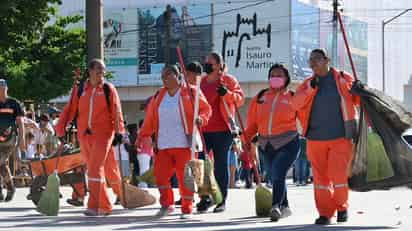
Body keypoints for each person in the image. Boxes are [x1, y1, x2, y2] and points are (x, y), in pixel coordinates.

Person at [292, 49, 360, 225]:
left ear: (327, 59)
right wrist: (309, 90)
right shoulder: (307, 83)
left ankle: (342, 208)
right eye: (310, 60)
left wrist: (360, 90)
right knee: (320, 180)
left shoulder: (343, 79)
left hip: (340, 137)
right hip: (315, 139)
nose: (313, 63)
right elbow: (295, 104)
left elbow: (358, 100)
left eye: (317, 59)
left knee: (338, 176)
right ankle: (325, 213)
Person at [138, 65, 211, 219]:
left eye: (168, 75)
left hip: (185, 144)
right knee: (161, 176)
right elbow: (150, 118)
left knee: (186, 178)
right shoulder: (159, 95)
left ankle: (187, 208)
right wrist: (142, 135)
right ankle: (166, 204)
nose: (164, 78)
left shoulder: (191, 92)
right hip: (163, 144)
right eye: (163, 75)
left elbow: (206, 109)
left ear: (178, 77)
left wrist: (201, 119)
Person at [55, 59, 125, 216]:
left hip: (104, 134)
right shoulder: (81, 89)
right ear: (90, 71)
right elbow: (70, 109)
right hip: (84, 135)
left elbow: (117, 110)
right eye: (99, 69)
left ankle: (99, 206)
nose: (102, 73)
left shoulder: (108, 89)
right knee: (108, 168)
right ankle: (122, 195)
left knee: (94, 169)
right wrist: (60, 129)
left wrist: (119, 131)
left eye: (103, 70)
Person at [243, 63, 300, 222]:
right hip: (266, 144)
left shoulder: (293, 97)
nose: (275, 78)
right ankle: (285, 206)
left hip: (288, 142)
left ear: (286, 78)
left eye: (279, 75)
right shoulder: (260, 96)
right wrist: (246, 139)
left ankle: (275, 206)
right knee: (276, 175)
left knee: (278, 171)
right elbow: (252, 123)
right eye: (272, 75)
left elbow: (306, 117)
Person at [197, 52, 245, 213]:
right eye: (206, 62)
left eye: (210, 62)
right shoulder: (201, 82)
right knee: (201, 165)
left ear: (218, 65)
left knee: (220, 166)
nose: (206, 65)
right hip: (203, 130)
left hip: (223, 130)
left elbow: (240, 99)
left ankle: (221, 199)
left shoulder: (228, 80)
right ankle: (205, 197)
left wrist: (228, 94)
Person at [0, 79, 26, 202]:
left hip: (9, 139)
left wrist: (22, 139)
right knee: (2, 164)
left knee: (0, 162)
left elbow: (20, 123)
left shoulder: (14, 103)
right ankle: (8, 188)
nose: (1, 89)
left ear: (7, 88)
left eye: (3, 87)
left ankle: (9, 188)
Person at [135, 119, 153, 188]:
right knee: (144, 170)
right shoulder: (142, 132)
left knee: (145, 169)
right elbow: (137, 144)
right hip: (143, 153)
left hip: (145, 153)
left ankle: (143, 185)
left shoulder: (144, 132)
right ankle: (143, 185)